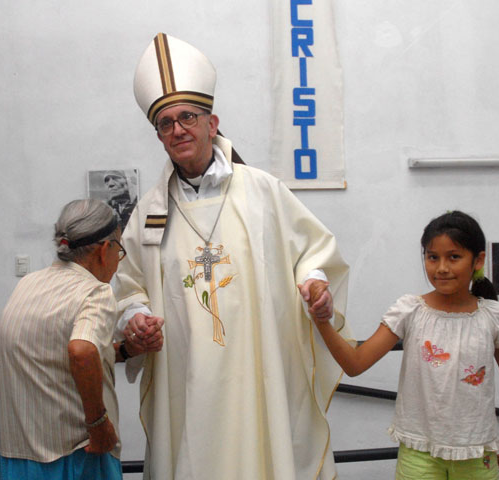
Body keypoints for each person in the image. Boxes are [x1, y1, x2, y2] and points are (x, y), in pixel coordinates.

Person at [113, 33, 352, 479]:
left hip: (258, 371)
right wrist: (136, 318)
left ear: (211, 122)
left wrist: (316, 284)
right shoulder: (148, 212)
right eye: (166, 123)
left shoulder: (261, 189)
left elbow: (311, 253)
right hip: (184, 379)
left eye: (188, 117)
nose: (178, 129)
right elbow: (128, 288)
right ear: (159, 136)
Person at [308, 211, 499, 479]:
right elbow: (355, 363)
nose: (441, 267)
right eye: (432, 257)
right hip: (419, 455)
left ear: (478, 260)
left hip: (477, 454)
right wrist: (322, 319)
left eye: (454, 257)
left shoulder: (493, 315)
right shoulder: (410, 310)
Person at [0, 199, 162, 480]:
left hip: (19, 457)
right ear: (104, 250)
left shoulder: (28, 284)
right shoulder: (94, 292)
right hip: (75, 456)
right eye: (119, 250)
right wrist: (99, 426)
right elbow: (81, 351)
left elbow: (56, 350)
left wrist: (126, 350)